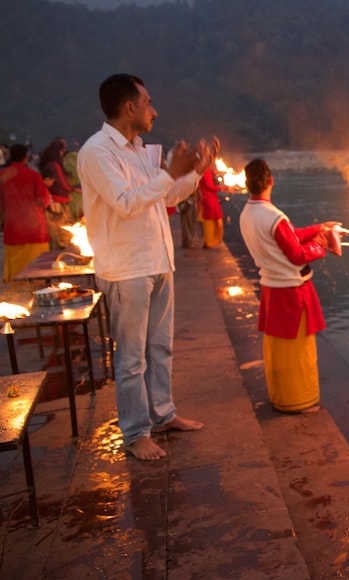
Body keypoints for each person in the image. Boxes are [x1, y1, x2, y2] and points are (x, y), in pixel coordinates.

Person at [77, 73, 215, 461]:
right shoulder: (98, 151)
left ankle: (163, 414)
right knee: (132, 358)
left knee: (160, 347)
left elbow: (165, 195)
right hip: (126, 268)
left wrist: (196, 171)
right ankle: (136, 432)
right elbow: (124, 202)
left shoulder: (138, 149)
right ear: (129, 107)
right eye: (149, 102)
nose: (154, 110)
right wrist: (169, 172)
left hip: (157, 259)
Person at [238, 159, 340, 413]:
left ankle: (280, 396)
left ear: (247, 183)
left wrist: (320, 227)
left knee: (278, 348)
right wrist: (323, 245)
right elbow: (295, 254)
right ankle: (299, 401)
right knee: (298, 349)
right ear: (271, 180)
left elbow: (289, 236)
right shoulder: (273, 217)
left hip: (271, 287)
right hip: (291, 290)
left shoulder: (247, 214)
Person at [0, 143, 51, 282]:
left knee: (17, 274)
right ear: (25, 157)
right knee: (37, 268)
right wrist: (45, 189)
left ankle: (17, 285)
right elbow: (43, 202)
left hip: (13, 227)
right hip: (34, 228)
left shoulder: (2, 175)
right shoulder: (34, 176)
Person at [38, 138, 79, 249]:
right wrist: (75, 189)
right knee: (61, 233)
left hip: (54, 203)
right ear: (58, 151)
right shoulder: (54, 165)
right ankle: (58, 258)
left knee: (56, 233)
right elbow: (63, 184)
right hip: (58, 205)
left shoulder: (49, 164)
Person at [198, 161, 227, 248]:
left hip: (211, 198)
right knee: (210, 220)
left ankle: (212, 241)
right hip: (209, 198)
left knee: (214, 220)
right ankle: (209, 242)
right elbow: (209, 185)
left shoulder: (208, 170)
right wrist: (221, 188)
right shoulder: (206, 171)